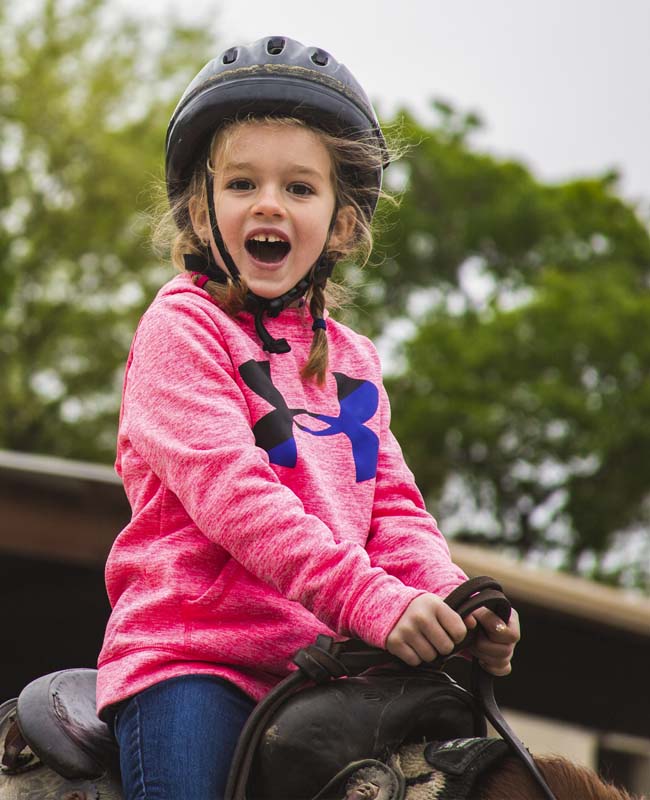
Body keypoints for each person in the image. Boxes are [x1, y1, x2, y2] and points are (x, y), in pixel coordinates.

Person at [96, 35, 520, 799]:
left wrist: (453, 600)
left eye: (299, 188)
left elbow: (391, 509)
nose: (269, 203)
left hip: (326, 669)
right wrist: (372, 601)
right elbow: (239, 498)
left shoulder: (354, 361)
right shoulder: (181, 331)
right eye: (241, 183)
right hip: (198, 661)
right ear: (202, 208)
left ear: (344, 222)